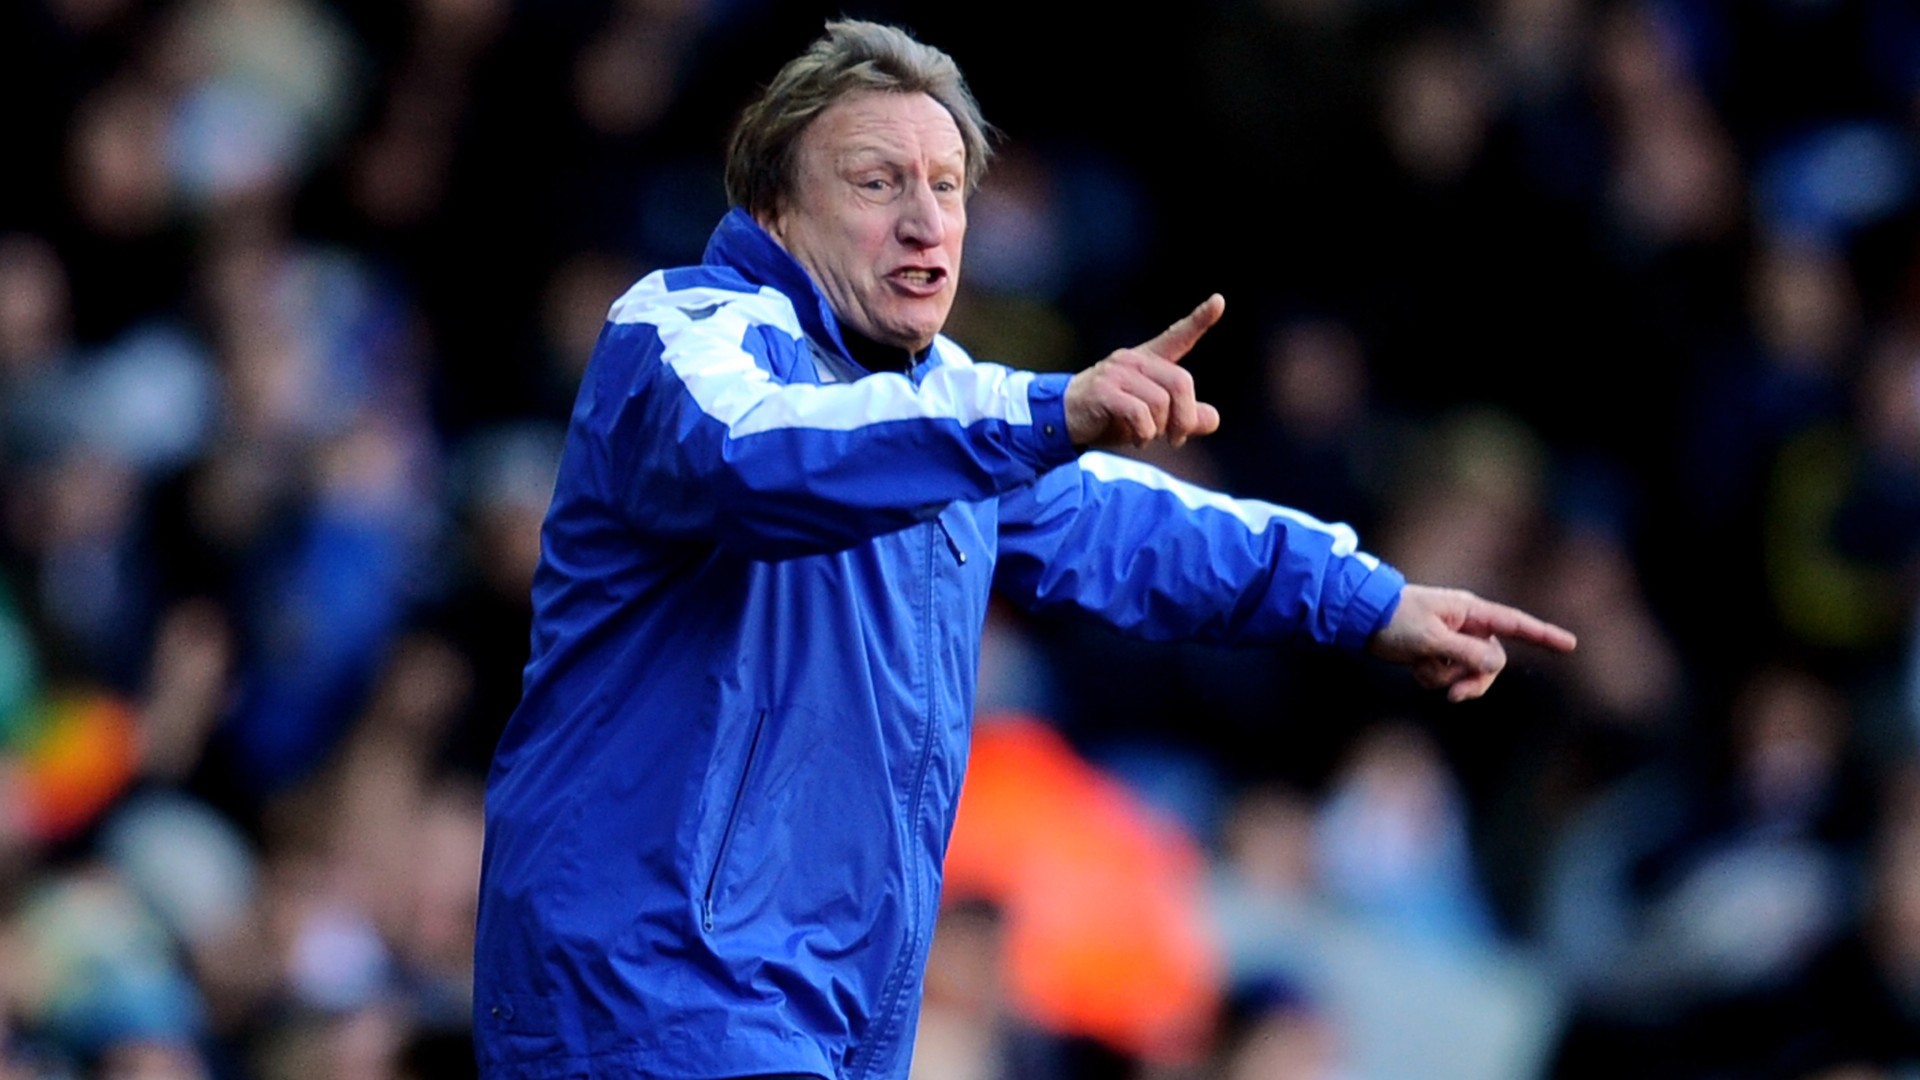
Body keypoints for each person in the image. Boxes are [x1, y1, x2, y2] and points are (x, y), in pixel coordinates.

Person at [471, 18, 1576, 1080]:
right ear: (774, 208)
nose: (927, 222)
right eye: (877, 182)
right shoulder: (680, 331)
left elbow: (1143, 527)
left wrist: (1372, 600)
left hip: (826, 1019)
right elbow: (762, 454)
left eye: (948, 187)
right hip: (650, 994)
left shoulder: (949, 413)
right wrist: (1045, 412)